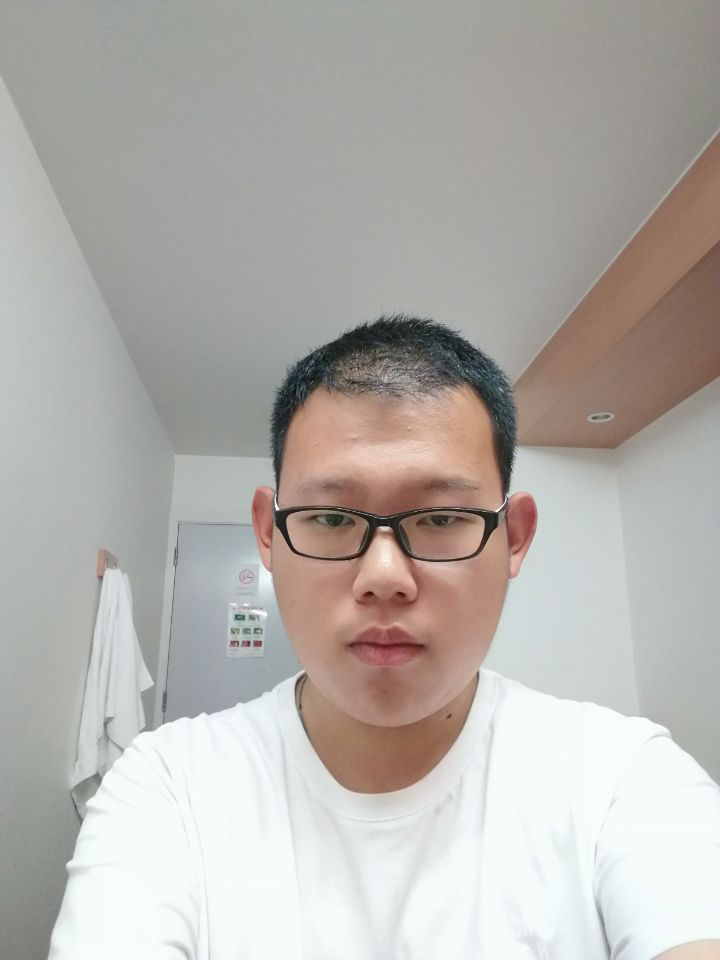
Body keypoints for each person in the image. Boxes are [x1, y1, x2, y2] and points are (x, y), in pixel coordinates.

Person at [49, 316, 720, 959]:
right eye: (331, 517)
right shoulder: (168, 787)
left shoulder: (623, 782)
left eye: (441, 518)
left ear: (514, 537)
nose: (384, 577)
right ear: (269, 534)